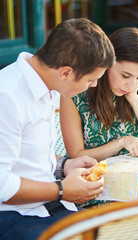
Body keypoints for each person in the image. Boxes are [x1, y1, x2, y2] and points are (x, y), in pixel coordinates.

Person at [0, 18, 115, 240]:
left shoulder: (50, 86)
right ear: (66, 73)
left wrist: (65, 165)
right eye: (91, 80)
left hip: (50, 209)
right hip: (14, 217)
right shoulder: (8, 97)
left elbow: (25, 153)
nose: (93, 86)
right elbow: (2, 185)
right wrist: (62, 190)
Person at [60, 27, 138, 206]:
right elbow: (76, 155)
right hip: (97, 187)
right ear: (108, 62)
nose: (132, 84)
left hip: (136, 182)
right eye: (125, 75)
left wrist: (134, 99)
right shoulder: (77, 90)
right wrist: (120, 142)